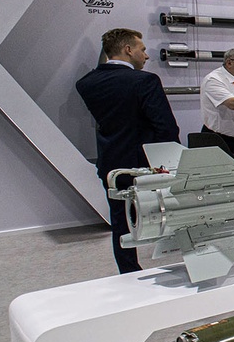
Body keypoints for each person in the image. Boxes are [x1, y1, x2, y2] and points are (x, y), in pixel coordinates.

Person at [75, 28, 179, 274]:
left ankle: (128, 270)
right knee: (172, 213)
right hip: (146, 165)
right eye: (142, 49)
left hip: (111, 161)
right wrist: (169, 162)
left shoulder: (86, 83)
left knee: (120, 221)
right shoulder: (145, 81)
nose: (146, 55)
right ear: (128, 50)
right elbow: (166, 127)